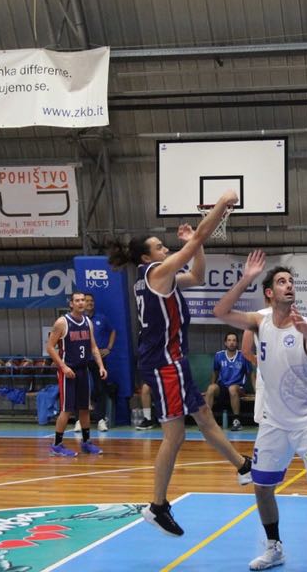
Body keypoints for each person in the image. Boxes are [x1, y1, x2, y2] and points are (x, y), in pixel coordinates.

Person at [108, 189, 252, 538]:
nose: (166, 249)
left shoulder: (162, 278)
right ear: (147, 257)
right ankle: (157, 506)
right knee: (174, 436)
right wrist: (222, 205)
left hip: (175, 361)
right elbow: (200, 235)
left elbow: (198, 276)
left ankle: (243, 466)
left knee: (203, 415)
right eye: (160, 247)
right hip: (162, 365)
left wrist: (194, 246)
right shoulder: (155, 273)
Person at [214, 250, 307, 572]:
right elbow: (220, 311)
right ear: (270, 293)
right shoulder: (259, 321)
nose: (289, 286)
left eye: (291, 281)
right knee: (261, 485)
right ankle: (274, 548)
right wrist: (246, 278)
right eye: (282, 282)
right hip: (274, 422)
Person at [46, 291, 107, 456]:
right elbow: (50, 347)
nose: (81, 303)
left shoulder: (88, 322)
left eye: (83, 300)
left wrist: (101, 366)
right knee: (66, 409)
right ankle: (57, 445)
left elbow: (93, 347)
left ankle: (86, 443)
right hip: (68, 371)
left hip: (83, 369)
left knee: (85, 408)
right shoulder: (62, 322)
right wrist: (63, 367)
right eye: (77, 300)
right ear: (71, 304)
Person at [205, 332, 254, 431]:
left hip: (238, 388)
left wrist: (257, 392)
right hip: (222, 387)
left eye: (234, 340)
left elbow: (251, 374)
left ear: (237, 343)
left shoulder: (243, 355)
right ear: (225, 343)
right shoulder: (219, 355)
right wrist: (211, 386)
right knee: (211, 388)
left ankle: (237, 421)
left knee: (232, 389)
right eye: (229, 340)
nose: (231, 343)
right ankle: (207, 421)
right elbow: (215, 372)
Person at [85, 293, 116, 432]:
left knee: (100, 389)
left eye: (91, 300)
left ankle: (100, 420)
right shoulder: (78, 320)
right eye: (87, 300)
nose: (89, 303)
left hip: (99, 361)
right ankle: (80, 420)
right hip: (83, 359)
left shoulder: (101, 318)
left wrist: (109, 348)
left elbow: (113, 331)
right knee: (83, 389)